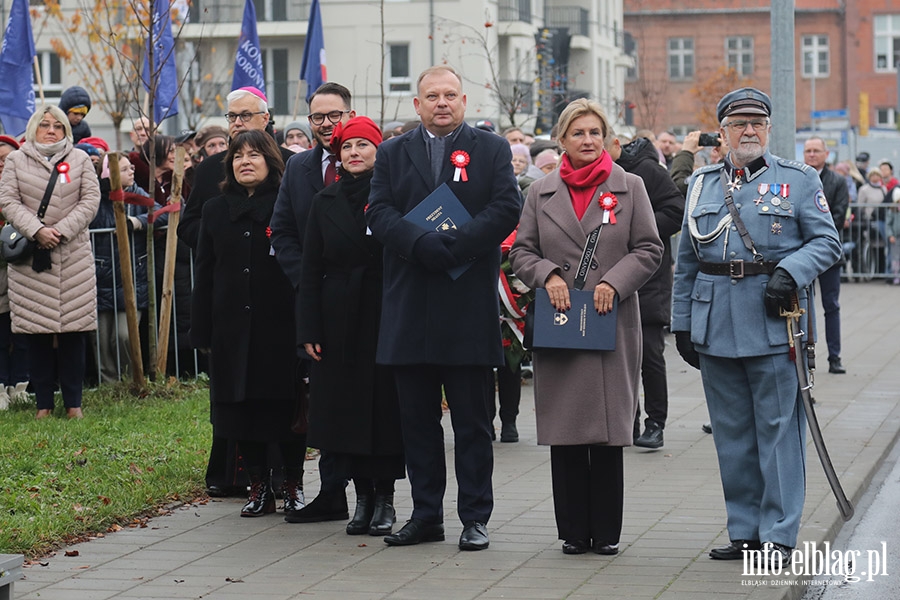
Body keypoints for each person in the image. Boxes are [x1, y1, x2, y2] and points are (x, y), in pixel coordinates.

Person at [671, 87, 841, 566]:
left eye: (757, 123)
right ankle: (744, 530)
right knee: (732, 434)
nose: (749, 131)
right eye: (739, 123)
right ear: (721, 131)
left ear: (768, 129)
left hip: (774, 324)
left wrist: (790, 272)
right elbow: (686, 261)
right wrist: (682, 323)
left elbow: (828, 243)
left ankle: (779, 535)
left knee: (778, 432)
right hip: (714, 323)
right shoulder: (702, 183)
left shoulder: (799, 179)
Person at [366, 65, 521, 551]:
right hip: (410, 305)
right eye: (431, 95)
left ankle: (475, 517)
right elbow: (378, 211)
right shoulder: (392, 152)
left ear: (464, 100)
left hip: (465, 307)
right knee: (417, 423)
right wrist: (419, 244)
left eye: (450, 94)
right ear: (417, 105)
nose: (441, 102)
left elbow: (505, 207)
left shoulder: (491, 149)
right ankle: (426, 515)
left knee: (472, 424)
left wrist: (455, 245)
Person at [509, 99, 663, 556]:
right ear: (562, 141)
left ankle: (607, 533)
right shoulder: (541, 192)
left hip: (609, 320)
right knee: (567, 431)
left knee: (609, 432)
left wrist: (615, 283)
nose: (588, 140)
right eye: (578, 133)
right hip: (562, 322)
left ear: (607, 138)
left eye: (595, 132)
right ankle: (573, 532)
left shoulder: (630, 186)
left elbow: (650, 249)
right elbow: (522, 252)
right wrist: (548, 276)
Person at [179, 86, 295, 500]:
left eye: (246, 115)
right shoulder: (213, 169)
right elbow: (189, 224)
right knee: (234, 402)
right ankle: (240, 478)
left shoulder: (291, 167)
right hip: (231, 296)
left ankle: (286, 478)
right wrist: (224, 235)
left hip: (275, 304)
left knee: (279, 399)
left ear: (267, 119)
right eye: (231, 117)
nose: (238, 123)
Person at [297, 116, 405, 537]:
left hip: (384, 311)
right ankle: (360, 499)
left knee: (384, 410)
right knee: (345, 413)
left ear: (379, 151)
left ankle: (386, 499)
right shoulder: (325, 201)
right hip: (338, 317)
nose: (355, 152)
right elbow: (310, 269)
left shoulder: (393, 196)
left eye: (363, 144)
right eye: (346, 146)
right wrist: (310, 329)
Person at [270, 81, 357, 524]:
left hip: (361, 301)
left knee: (360, 397)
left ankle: (370, 497)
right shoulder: (299, 167)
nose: (327, 125)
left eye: (334, 115)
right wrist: (304, 279)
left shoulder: (365, 160)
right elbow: (281, 231)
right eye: (318, 117)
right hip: (313, 301)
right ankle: (330, 492)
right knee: (321, 400)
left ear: (349, 114)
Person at [0, 105, 101, 419]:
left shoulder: (80, 159)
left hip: (73, 258)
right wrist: (37, 230)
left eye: (58, 126)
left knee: (74, 334)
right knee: (37, 334)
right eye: (44, 125)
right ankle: (43, 403)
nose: (51, 130)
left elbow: (91, 200)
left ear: (66, 131)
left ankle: (74, 404)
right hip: (32, 260)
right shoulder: (16, 160)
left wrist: (62, 230)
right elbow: (7, 200)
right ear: (33, 129)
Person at [606, 129, 684, 449]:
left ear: (614, 144)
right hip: (607, 278)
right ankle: (628, 421)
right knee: (616, 356)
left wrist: (639, 229)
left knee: (649, 352)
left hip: (648, 276)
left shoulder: (647, 171)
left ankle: (655, 423)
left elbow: (675, 210)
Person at [90, 154, 159, 383]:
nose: (132, 172)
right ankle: (109, 385)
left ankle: (132, 379)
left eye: (131, 167)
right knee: (101, 338)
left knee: (124, 335)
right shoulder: (95, 198)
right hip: (100, 278)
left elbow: (161, 212)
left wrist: (136, 222)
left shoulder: (136, 193)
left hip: (131, 278)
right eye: (125, 169)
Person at [803, 137, 849, 374]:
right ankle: (803, 355)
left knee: (831, 306)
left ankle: (834, 357)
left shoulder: (837, 181)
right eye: (808, 151)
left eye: (816, 151)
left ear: (826, 154)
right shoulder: (798, 178)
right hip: (803, 256)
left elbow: (838, 218)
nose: (811, 155)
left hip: (829, 254)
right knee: (801, 307)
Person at [0, 135, 29, 409]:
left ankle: (20, 386)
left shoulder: (27, 190)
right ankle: (0, 388)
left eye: (6, 160)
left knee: (22, 335)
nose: (1, 165)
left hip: (23, 272)